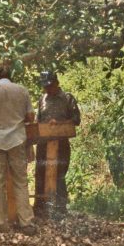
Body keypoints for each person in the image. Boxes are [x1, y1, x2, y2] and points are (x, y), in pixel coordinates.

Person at [0, 65, 37, 235]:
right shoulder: (21, 90)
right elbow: (31, 117)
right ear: (10, 76)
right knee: (21, 181)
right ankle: (26, 223)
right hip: (17, 139)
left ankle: (1, 222)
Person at [34, 71, 81, 217]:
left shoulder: (67, 98)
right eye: (45, 87)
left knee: (60, 174)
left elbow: (76, 120)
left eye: (49, 86)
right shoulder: (42, 99)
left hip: (61, 144)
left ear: (56, 83)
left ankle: (60, 209)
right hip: (43, 143)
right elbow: (38, 121)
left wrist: (59, 124)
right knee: (40, 173)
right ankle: (40, 208)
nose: (47, 89)